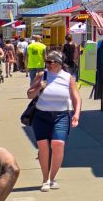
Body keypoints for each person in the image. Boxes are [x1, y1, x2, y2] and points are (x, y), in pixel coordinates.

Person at [27, 51, 81, 191]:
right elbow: (29, 94)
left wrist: (76, 114)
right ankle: (45, 179)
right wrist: (39, 87)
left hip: (61, 115)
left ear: (59, 64)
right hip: (41, 115)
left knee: (58, 144)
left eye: (51, 62)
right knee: (43, 147)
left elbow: (76, 97)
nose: (48, 64)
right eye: (47, 62)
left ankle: (52, 177)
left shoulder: (68, 77)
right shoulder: (42, 75)